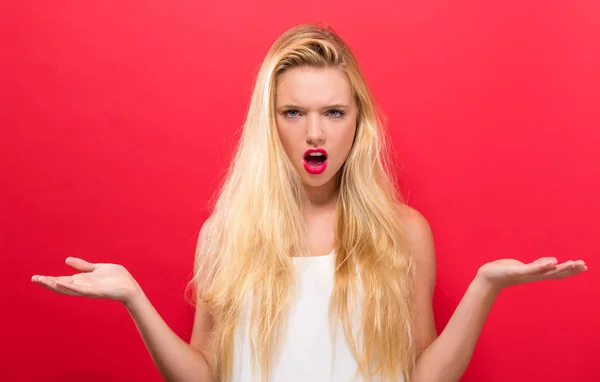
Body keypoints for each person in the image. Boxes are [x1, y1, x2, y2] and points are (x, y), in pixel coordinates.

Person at [31, 22, 587, 382]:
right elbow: (202, 374)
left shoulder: (404, 231)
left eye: (334, 113)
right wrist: (134, 298)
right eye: (294, 113)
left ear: (359, 123)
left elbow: (424, 376)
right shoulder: (225, 235)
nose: (314, 133)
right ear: (269, 123)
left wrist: (485, 286)